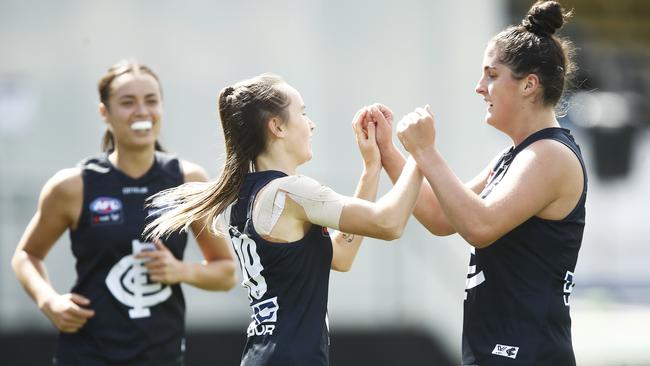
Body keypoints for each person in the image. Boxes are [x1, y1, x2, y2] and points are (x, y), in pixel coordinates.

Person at [144, 73, 423, 365]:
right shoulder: (291, 192)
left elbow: (342, 256)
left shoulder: (246, 194)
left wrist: (371, 169)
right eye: (302, 113)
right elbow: (389, 223)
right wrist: (420, 154)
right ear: (277, 126)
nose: (311, 124)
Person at [369, 1, 585, 365]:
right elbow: (441, 217)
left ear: (529, 85)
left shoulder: (550, 155)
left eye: (491, 75)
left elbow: (480, 226)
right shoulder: (516, 155)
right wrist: (389, 150)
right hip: (495, 353)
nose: (479, 87)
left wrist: (426, 151)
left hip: (529, 356)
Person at [11, 60, 237, 366]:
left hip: (162, 357)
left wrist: (181, 271)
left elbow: (225, 272)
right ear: (104, 113)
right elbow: (26, 255)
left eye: (151, 101)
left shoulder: (188, 180)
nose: (142, 112)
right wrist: (48, 300)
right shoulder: (72, 186)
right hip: (86, 356)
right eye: (127, 102)